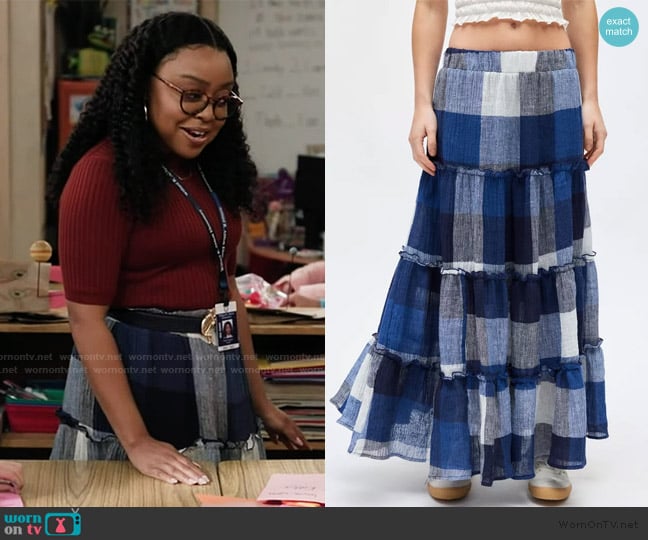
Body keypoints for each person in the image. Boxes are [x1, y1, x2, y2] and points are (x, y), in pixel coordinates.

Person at [331, 0, 608, 503]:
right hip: (467, 81)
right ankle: (454, 445)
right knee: (463, 257)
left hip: (554, 81)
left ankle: (545, 445)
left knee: (544, 258)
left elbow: (581, 4)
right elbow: (432, 6)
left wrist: (591, 97)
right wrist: (421, 102)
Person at [47, 11, 309, 486]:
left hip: (218, 374)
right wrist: (137, 442)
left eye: (222, 100)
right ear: (144, 85)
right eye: (191, 95)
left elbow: (227, 293)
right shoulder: (101, 174)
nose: (207, 114)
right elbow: (86, 319)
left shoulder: (214, 171)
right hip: (140, 381)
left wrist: (260, 402)